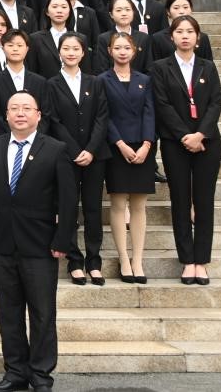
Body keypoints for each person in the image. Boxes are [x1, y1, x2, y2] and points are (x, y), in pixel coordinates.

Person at [0, 92, 75, 392]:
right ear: (6, 115)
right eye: (14, 108)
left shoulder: (56, 149)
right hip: (3, 242)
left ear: (38, 115)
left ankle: (41, 374)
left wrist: (63, 239)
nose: (20, 113)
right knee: (8, 312)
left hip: (41, 245)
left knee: (43, 313)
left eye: (27, 108)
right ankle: (15, 371)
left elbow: (68, 200)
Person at [151, 14, 221, 286]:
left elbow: (215, 102)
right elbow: (162, 104)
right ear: (172, 37)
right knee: (180, 201)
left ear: (197, 37)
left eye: (190, 32)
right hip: (175, 142)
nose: (185, 36)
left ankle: (201, 261)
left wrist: (200, 134)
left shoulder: (208, 67)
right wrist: (185, 136)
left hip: (208, 142)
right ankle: (187, 260)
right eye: (180, 31)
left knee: (204, 202)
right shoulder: (160, 67)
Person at [46, 32, 109, 286]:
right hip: (65, 156)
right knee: (68, 207)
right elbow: (53, 120)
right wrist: (74, 150)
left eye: (76, 49)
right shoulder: (51, 84)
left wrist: (91, 149)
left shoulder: (96, 82)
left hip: (95, 156)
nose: (71, 53)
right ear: (59, 52)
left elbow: (102, 117)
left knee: (93, 209)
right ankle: (74, 261)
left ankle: (94, 262)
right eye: (66, 48)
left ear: (83, 53)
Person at [99, 32, 155, 284]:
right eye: (117, 48)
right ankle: (123, 258)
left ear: (134, 51)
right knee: (119, 203)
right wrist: (120, 144)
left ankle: (138, 260)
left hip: (143, 146)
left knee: (139, 205)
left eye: (126, 48)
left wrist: (146, 144)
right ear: (109, 51)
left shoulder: (145, 79)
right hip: (116, 147)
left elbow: (150, 113)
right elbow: (104, 115)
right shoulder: (102, 80)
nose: (122, 52)